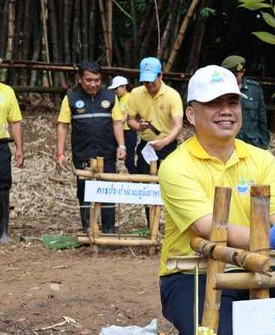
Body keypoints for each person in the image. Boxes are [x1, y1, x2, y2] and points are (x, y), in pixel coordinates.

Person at [158, 65, 275, 335]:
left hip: (255, 267)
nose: (226, 111)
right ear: (191, 114)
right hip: (193, 272)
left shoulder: (262, 159)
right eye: (214, 104)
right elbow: (208, 227)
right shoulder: (176, 166)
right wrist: (269, 238)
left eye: (232, 103)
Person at [56, 61, 126, 233]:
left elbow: (117, 122)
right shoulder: (71, 98)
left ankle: (109, 230)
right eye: (89, 80)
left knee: (108, 190)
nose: (93, 84)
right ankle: (89, 229)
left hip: (107, 153)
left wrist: (121, 145)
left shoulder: (110, 97)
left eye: (97, 80)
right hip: (83, 154)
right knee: (85, 192)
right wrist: (60, 153)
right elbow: (63, 126)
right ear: (80, 79)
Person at [127, 57, 183, 174]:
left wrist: (165, 141)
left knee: (167, 180)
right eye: (146, 81)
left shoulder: (172, 95)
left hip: (167, 143)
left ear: (160, 76)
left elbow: (178, 125)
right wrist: (139, 127)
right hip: (146, 144)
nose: (149, 84)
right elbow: (130, 120)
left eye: (152, 80)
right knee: (145, 180)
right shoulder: (135, 93)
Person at [221, 55, 270, 149]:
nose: (230, 78)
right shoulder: (218, 89)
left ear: (242, 72)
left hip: (251, 144)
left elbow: (262, 119)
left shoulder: (254, 89)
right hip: (226, 144)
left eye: (234, 75)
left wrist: (263, 143)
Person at [0, 82, 24, 243]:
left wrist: (19, 147)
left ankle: (3, 231)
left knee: (3, 186)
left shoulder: (7, 91)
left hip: (1, 144)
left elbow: (14, 121)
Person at [108, 76, 137, 174]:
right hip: (117, 131)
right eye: (114, 89)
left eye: (116, 88)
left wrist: (118, 122)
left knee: (129, 161)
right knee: (110, 157)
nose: (115, 91)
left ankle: (137, 181)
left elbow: (128, 114)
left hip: (128, 131)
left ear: (124, 87)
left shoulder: (131, 97)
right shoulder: (116, 100)